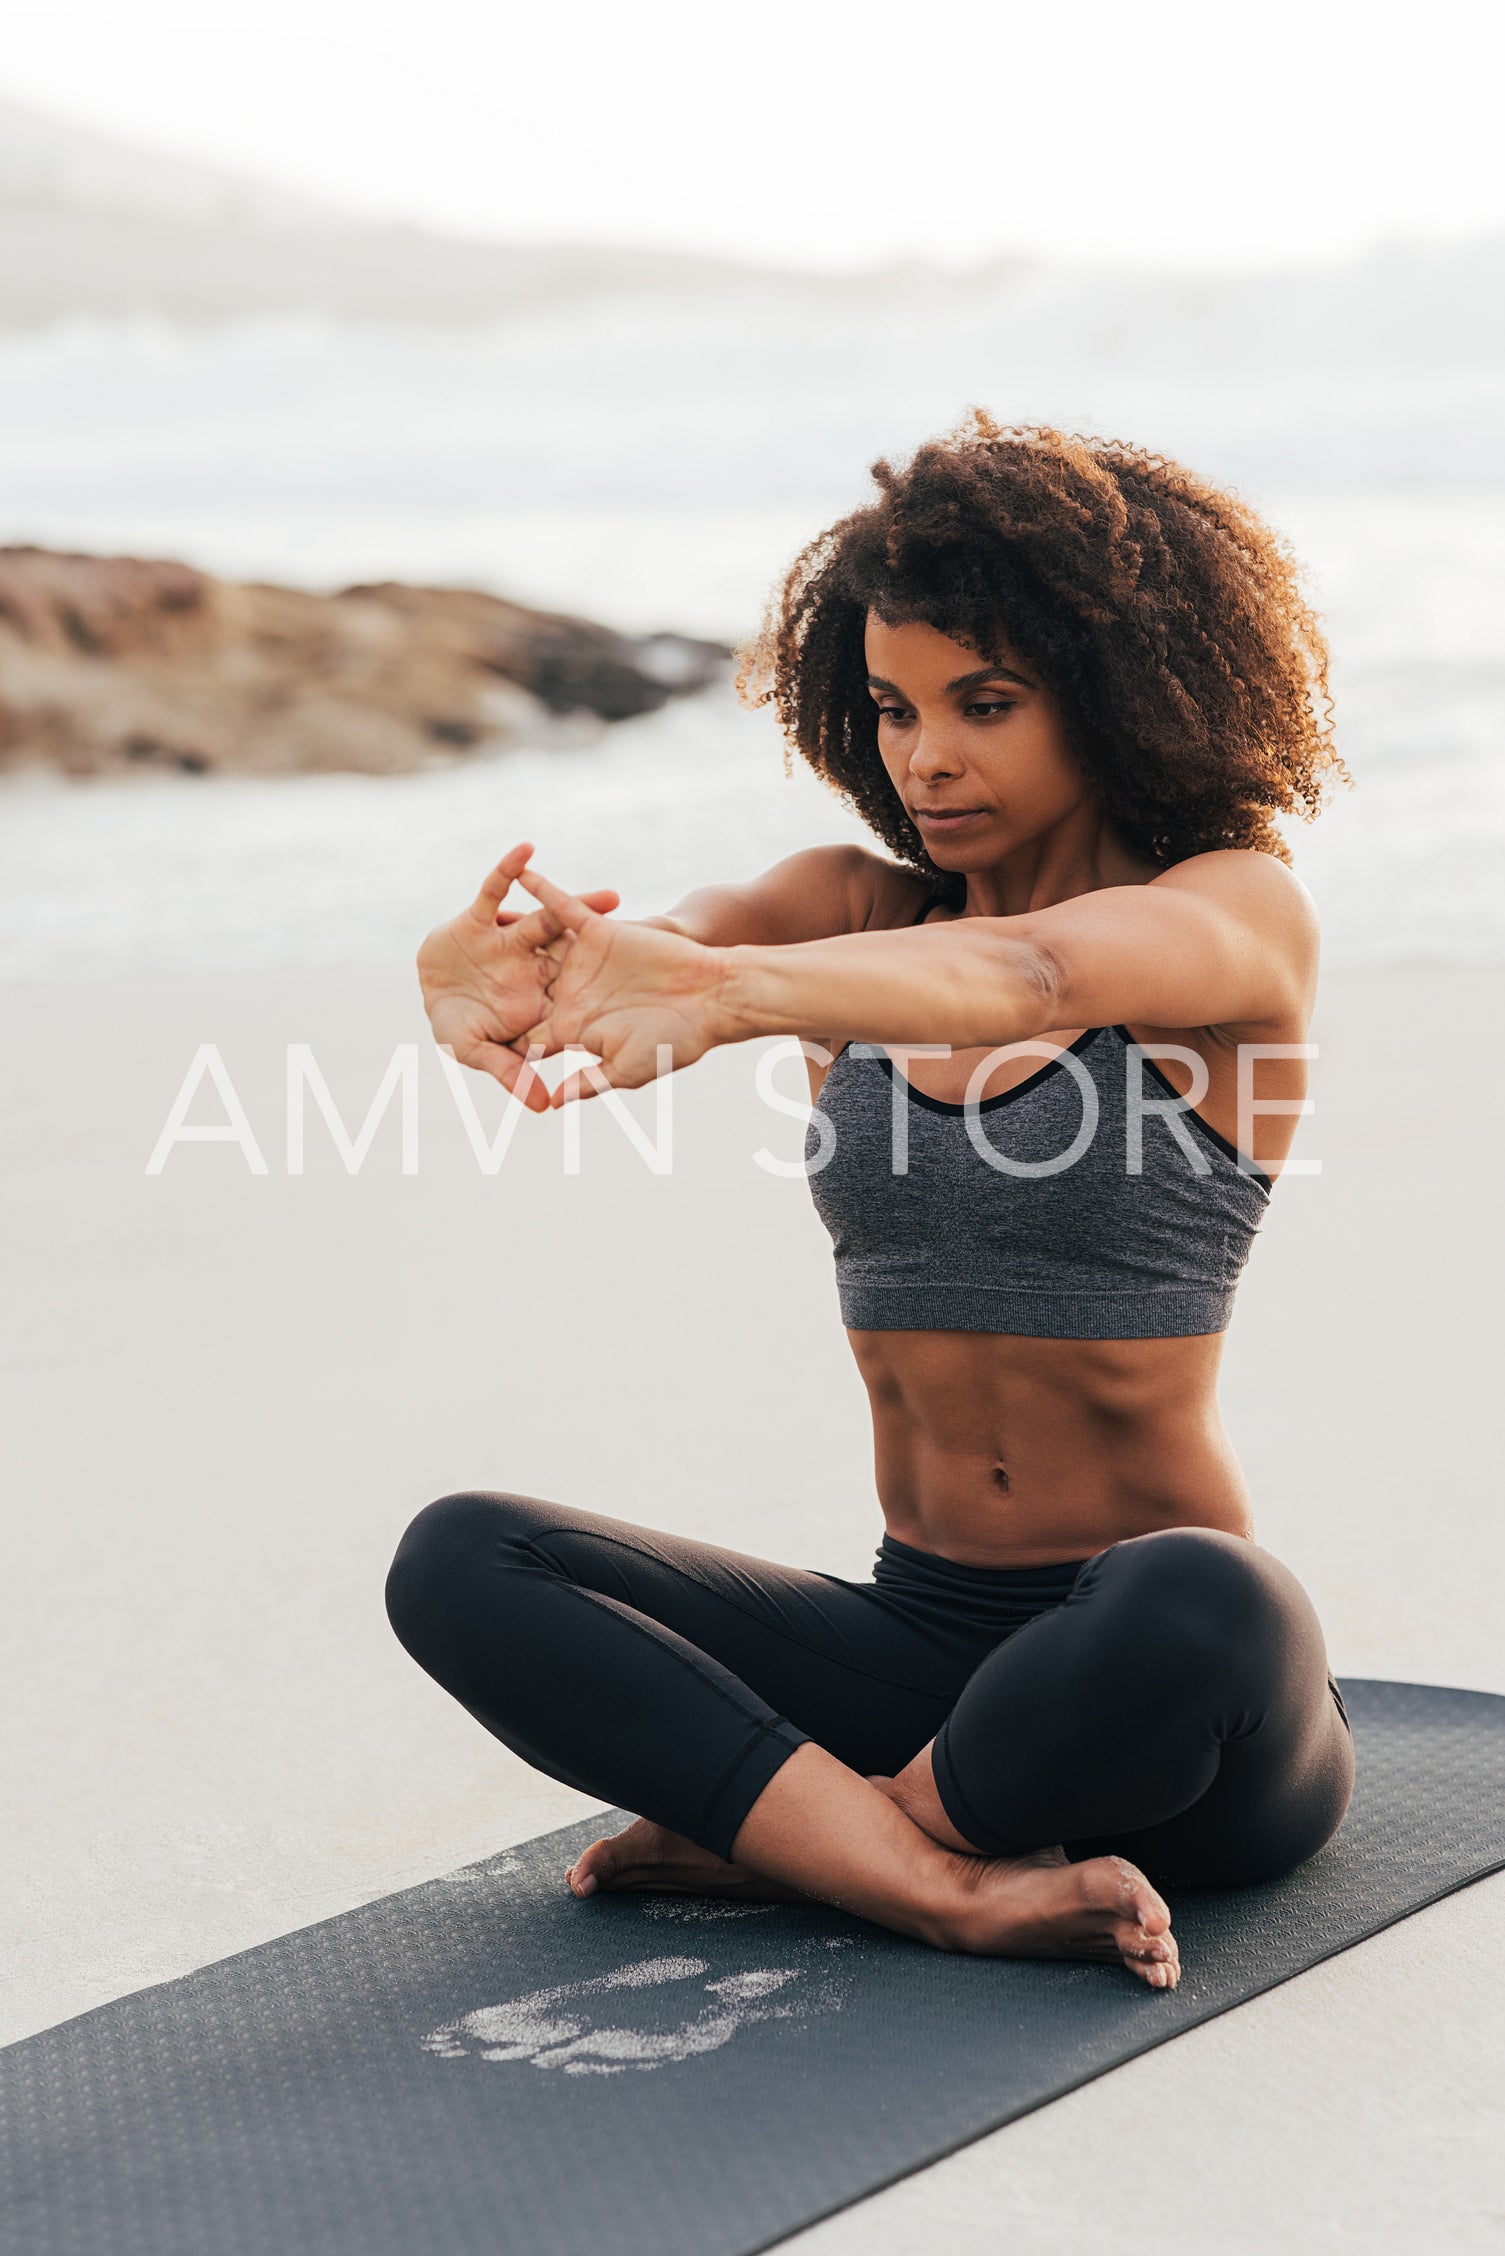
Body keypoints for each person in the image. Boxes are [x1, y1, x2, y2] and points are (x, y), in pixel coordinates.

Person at [386, 418, 1355, 1991]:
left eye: (986, 705)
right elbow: (684, 936)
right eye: (895, 710)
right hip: (916, 1646)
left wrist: (729, 994)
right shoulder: (847, 910)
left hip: (1162, 1704)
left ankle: (805, 1843)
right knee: (461, 1557)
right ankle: (929, 1874)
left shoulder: (1231, 915)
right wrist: (536, 970)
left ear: (1119, 699)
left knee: (1205, 1593)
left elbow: (1029, 971)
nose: (927, 758)